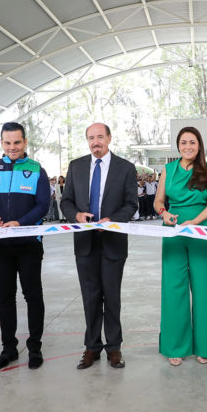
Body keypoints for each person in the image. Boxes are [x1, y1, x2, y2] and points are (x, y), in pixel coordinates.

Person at [60, 123, 138, 370]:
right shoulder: (76, 166)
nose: (96, 142)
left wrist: (112, 220)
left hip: (113, 242)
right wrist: (77, 216)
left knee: (112, 297)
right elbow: (66, 201)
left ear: (109, 138)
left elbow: (131, 203)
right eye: (91, 138)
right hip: (85, 243)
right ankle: (92, 347)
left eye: (100, 137)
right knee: (90, 297)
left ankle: (114, 348)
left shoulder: (125, 168)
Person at [0, 122, 50, 370]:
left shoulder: (37, 169)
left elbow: (42, 205)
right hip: (0, 246)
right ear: (2, 144)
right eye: (7, 143)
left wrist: (21, 222)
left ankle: (35, 347)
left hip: (29, 245)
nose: (12, 147)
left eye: (17, 142)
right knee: (4, 298)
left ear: (25, 142)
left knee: (32, 296)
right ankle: (9, 348)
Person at [154, 126, 207, 366]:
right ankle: (175, 346)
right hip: (173, 231)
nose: (188, 146)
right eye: (183, 142)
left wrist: (195, 222)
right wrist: (164, 213)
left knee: (202, 290)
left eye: (192, 142)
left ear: (199, 145)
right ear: (178, 145)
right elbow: (158, 200)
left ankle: (205, 346)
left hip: (201, 230)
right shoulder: (167, 170)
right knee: (174, 289)